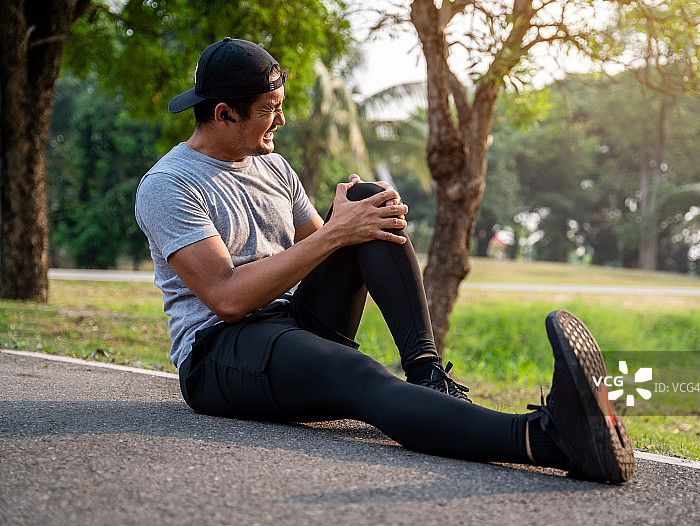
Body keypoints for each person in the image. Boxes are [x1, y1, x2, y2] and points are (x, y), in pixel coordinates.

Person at [135, 37, 634, 484]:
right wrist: (335, 232)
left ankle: (428, 374)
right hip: (220, 354)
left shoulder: (274, 166)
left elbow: (331, 246)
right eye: (270, 109)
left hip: (291, 321)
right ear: (224, 114)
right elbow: (226, 297)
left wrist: (350, 218)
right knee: (358, 375)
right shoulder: (169, 186)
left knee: (369, 205)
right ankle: (547, 439)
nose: (281, 121)